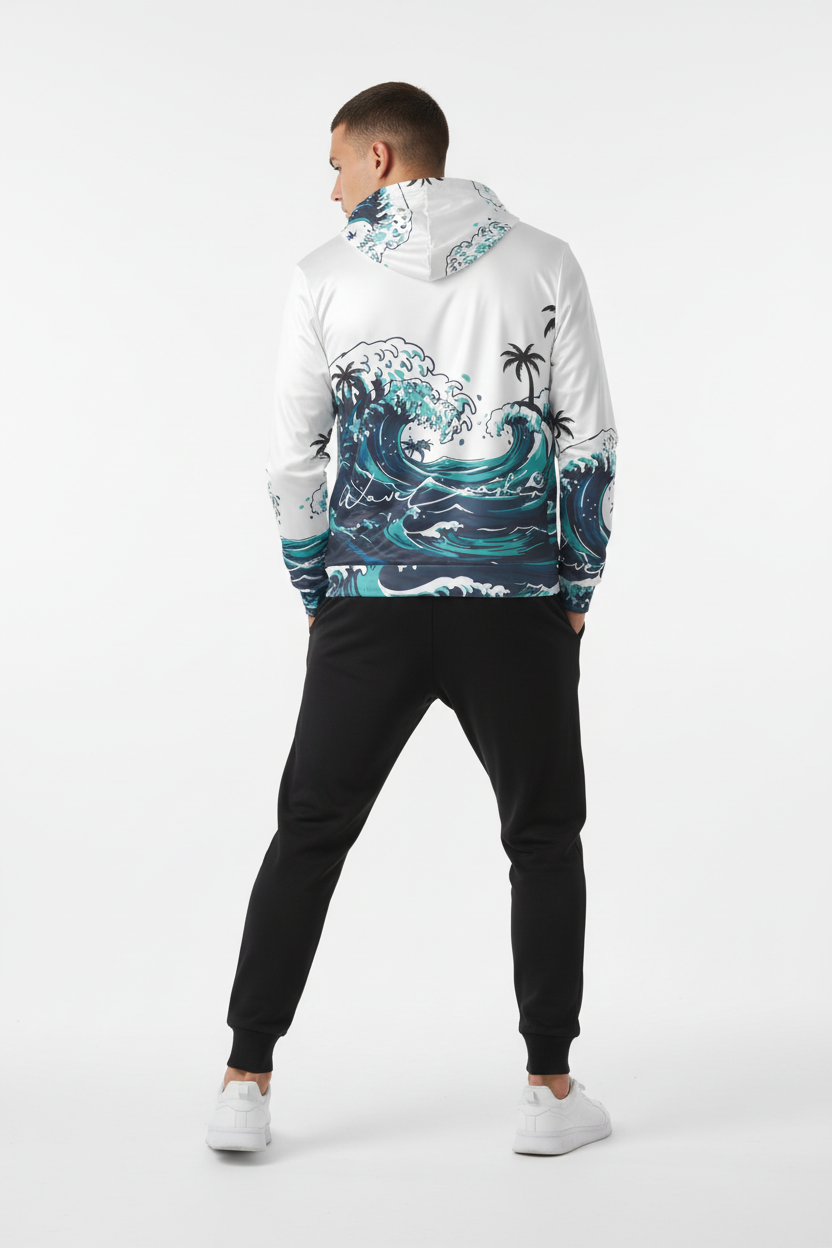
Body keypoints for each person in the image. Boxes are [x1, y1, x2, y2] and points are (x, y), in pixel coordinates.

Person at [206, 81, 618, 1156]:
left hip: (370, 601)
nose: (331, 187)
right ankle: (550, 1093)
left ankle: (244, 1083)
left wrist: (318, 585)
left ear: (382, 157)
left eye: (337, 163)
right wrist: (574, 587)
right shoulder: (544, 260)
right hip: (513, 600)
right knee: (543, 835)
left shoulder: (323, 274)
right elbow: (586, 442)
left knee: (310, 831)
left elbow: (292, 459)